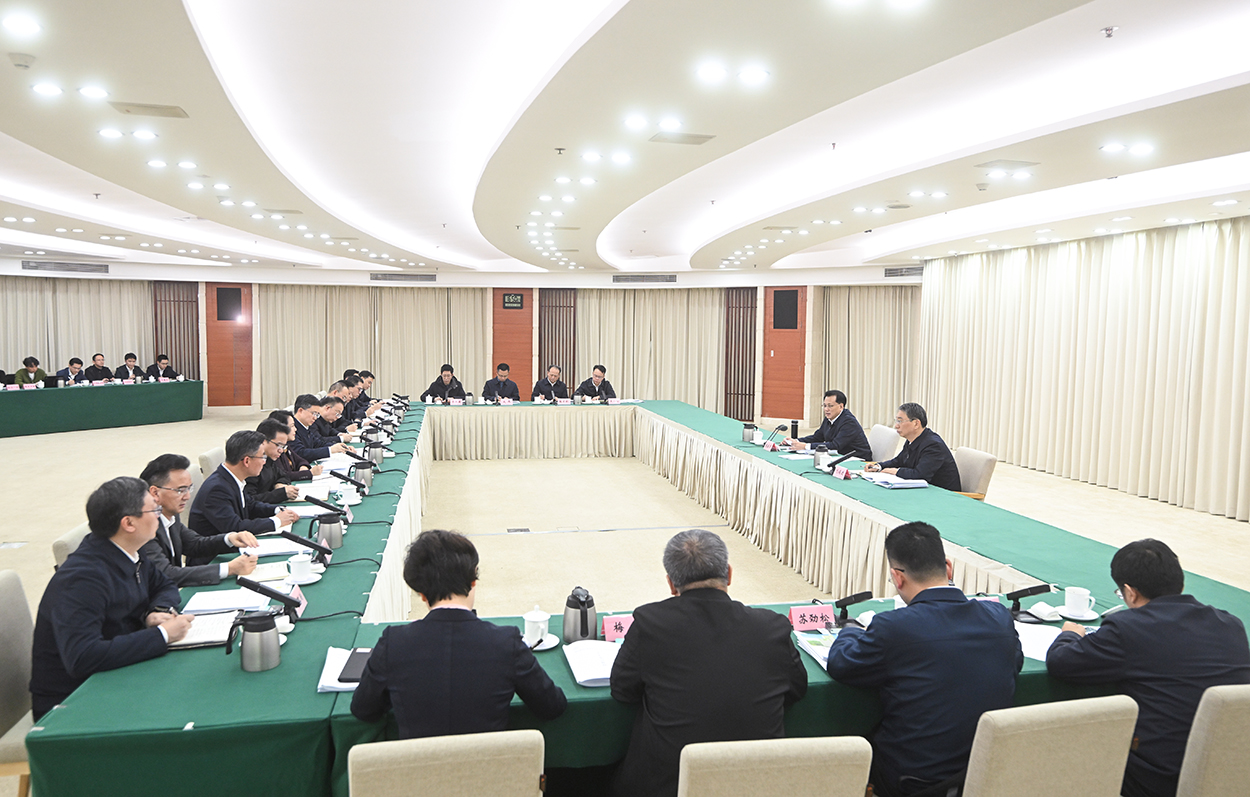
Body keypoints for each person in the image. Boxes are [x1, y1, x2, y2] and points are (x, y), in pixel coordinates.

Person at [826, 522, 1022, 797]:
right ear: (948, 568)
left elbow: (841, 664)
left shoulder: (893, 627)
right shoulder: (999, 617)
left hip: (910, 781)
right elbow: (1015, 664)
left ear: (897, 577)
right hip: (983, 775)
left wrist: (849, 631)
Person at [610, 529, 808, 797]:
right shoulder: (772, 627)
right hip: (758, 787)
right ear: (729, 574)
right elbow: (797, 689)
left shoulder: (650, 623)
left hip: (671, 787)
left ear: (671, 584)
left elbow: (623, 690)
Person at [1046, 539, 1250, 797]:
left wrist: (1070, 634)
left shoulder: (1127, 628)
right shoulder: (1231, 624)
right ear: (1180, 584)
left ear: (1130, 593)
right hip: (1231, 774)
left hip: (1157, 780)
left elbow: (1061, 662)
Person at [351, 530, 567, 738]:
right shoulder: (506, 642)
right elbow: (552, 707)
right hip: (489, 763)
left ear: (422, 594)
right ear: (473, 581)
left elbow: (364, 710)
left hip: (418, 764)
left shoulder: (394, 643)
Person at [29, 476, 193, 719]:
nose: (159, 516)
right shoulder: (83, 578)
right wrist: (163, 635)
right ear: (128, 523)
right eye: (154, 510)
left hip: (116, 673)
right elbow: (83, 656)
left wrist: (156, 611)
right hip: (72, 702)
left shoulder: (128, 551)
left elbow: (164, 584)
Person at [138, 454, 259, 586]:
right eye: (180, 490)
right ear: (155, 493)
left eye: (189, 489)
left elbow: (194, 544)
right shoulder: (142, 526)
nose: (187, 496)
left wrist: (230, 538)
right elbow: (166, 574)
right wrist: (228, 569)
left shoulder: (169, 514)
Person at [187, 431, 299, 556]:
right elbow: (235, 527)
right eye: (262, 456)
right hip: (215, 557)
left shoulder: (231, 477)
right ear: (247, 461)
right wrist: (276, 521)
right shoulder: (217, 489)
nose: (264, 461)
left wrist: (277, 510)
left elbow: (250, 505)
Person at [864, 402, 962, 491]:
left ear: (916, 423)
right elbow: (899, 461)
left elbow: (920, 475)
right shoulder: (912, 439)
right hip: (923, 491)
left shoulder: (933, 445)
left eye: (900, 421)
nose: (896, 426)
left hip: (943, 495)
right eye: (896, 421)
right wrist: (879, 466)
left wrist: (896, 472)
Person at [785, 389, 872, 459]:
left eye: (830, 406)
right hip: (840, 457)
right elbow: (817, 437)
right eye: (825, 406)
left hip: (858, 460)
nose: (826, 409)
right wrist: (796, 441)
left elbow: (835, 445)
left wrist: (806, 446)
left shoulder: (849, 422)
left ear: (841, 406)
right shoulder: (829, 418)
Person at [245, 420, 302, 504]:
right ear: (264, 441)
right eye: (278, 445)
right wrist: (281, 494)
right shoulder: (252, 463)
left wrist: (279, 484)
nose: (281, 450)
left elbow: (283, 476)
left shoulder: (269, 459)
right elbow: (249, 501)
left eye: (283, 446)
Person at [268, 409, 322, 482]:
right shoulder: (274, 450)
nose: (295, 429)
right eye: (292, 426)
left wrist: (303, 467)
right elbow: (283, 475)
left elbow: (301, 460)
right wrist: (310, 473)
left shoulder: (286, 445)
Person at [290, 394, 348, 461]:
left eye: (317, 414)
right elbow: (300, 453)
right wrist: (330, 450)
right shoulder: (291, 428)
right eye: (313, 413)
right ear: (301, 411)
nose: (315, 418)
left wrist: (339, 447)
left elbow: (318, 443)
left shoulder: (305, 426)